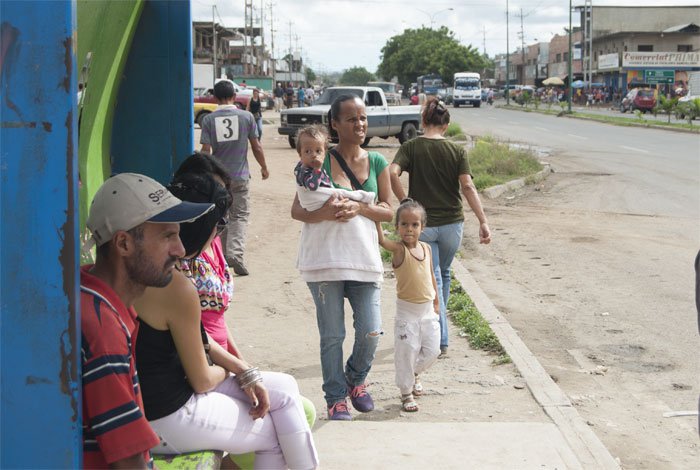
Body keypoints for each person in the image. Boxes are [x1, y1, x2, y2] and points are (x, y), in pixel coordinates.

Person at [134, 159, 319, 469]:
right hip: (166, 413)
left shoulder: (149, 269)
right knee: (275, 427)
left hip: (161, 401)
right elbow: (202, 379)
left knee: (284, 390)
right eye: (218, 225)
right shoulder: (174, 284)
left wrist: (243, 370)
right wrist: (235, 373)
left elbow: (200, 339)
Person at [81, 173, 214, 468]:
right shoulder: (102, 329)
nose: (180, 250)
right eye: (167, 236)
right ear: (124, 244)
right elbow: (128, 459)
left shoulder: (95, 295)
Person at [291, 94, 393, 420]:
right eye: (351, 118)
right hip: (326, 262)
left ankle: (355, 381)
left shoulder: (378, 161)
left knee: (371, 332)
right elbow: (298, 210)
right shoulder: (318, 158)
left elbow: (389, 211)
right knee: (332, 335)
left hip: (364, 260)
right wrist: (327, 211)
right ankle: (335, 398)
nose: (360, 124)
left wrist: (359, 207)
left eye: (363, 117)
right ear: (335, 124)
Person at [389, 97, 491, 358]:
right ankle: (439, 337)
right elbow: (467, 186)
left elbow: (392, 173)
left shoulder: (411, 147)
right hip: (452, 225)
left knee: (433, 278)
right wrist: (482, 220)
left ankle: (439, 337)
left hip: (423, 226)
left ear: (424, 122)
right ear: (446, 125)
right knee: (442, 275)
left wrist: (406, 202)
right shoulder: (457, 152)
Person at [376, 199, 440, 413]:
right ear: (397, 227)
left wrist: (437, 301)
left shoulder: (427, 248)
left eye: (414, 225)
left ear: (422, 227)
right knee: (407, 351)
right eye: (404, 224)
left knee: (433, 350)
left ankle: (413, 374)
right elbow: (383, 242)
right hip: (407, 313)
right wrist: (377, 218)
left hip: (428, 311)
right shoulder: (399, 249)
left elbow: (431, 275)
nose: (409, 229)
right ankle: (406, 392)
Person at [200, 79, 269, 276]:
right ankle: (235, 254)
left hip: (218, 178)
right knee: (240, 215)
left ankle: (222, 258)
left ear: (215, 97)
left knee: (222, 216)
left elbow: (206, 150)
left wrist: (205, 173)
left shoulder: (208, 120)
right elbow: (256, 146)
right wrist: (264, 167)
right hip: (241, 176)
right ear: (234, 96)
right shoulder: (246, 117)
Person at [294, 124, 332, 191]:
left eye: (318, 151)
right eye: (308, 151)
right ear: (300, 155)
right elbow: (312, 186)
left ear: (324, 154)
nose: (314, 155)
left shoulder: (320, 169)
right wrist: (317, 169)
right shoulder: (303, 171)